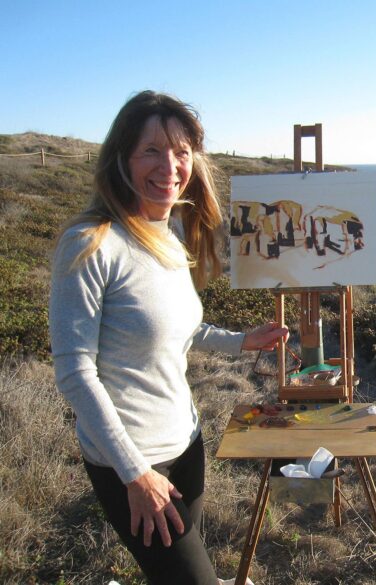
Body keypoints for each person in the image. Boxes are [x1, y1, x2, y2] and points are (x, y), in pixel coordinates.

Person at [49, 90, 286, 584]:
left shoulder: (168, 233)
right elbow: (74, 372)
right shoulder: (92, 244)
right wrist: (134, 474)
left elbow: (178, 328)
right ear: (122, 159)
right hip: (132, 460)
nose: (170, 166)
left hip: (186, 441)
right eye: (151, 151)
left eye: (181, 151)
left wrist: (240, 340)